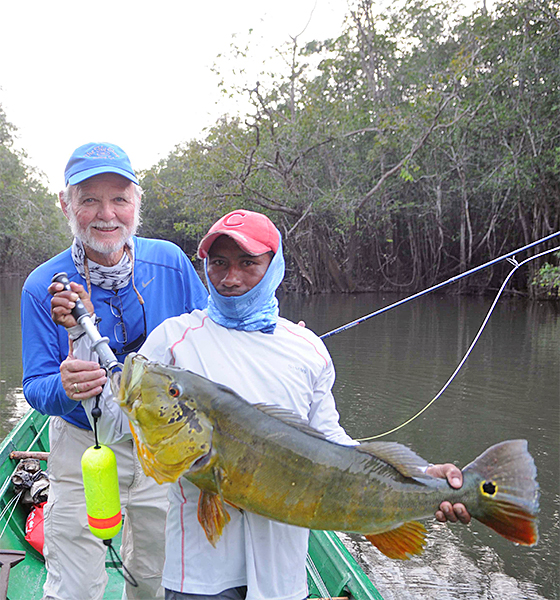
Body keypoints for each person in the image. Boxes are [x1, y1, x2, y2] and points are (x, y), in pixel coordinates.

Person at [59, 209, 470, 600]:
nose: (230, 278)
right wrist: (83, 355)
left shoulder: (308, 348)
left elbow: (333, 442)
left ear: (274, 267)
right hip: (198, 570)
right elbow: (116, 428)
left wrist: (419, 476)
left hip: (281, 572)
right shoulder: (173, 339)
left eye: (248, 263)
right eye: (218, 263)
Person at [21, 142, 209, 600]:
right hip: (83, 446)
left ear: (137, 204)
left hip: (161, 443)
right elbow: (35, 387)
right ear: (66, 204)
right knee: (77, 586)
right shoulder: (42, 286)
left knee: (156, 576)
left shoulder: (171, 263)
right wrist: (64, 387)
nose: (107, 214)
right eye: (89, 200)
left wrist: (273, 338)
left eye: (119, 199)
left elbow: (214, 339)